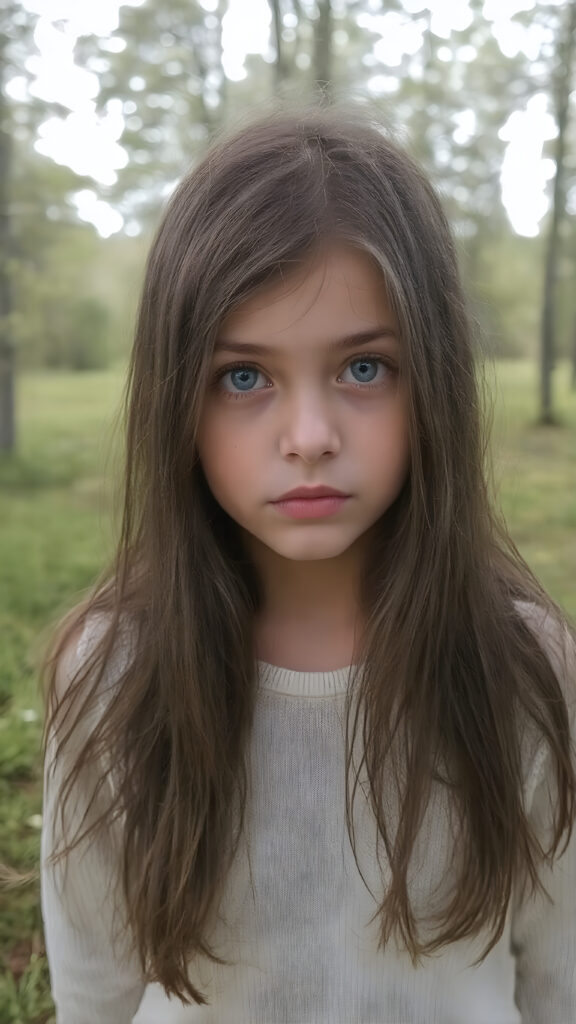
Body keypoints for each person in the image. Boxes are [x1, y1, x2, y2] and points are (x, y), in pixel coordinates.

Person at [40, 107, 576, 1024]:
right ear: (178, 398)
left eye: (365, 369)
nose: (311, 438)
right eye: (244, 377)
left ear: (434, 380)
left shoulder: (523, 668)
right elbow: (97, 988)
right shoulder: (115, 675)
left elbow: (558, 977)